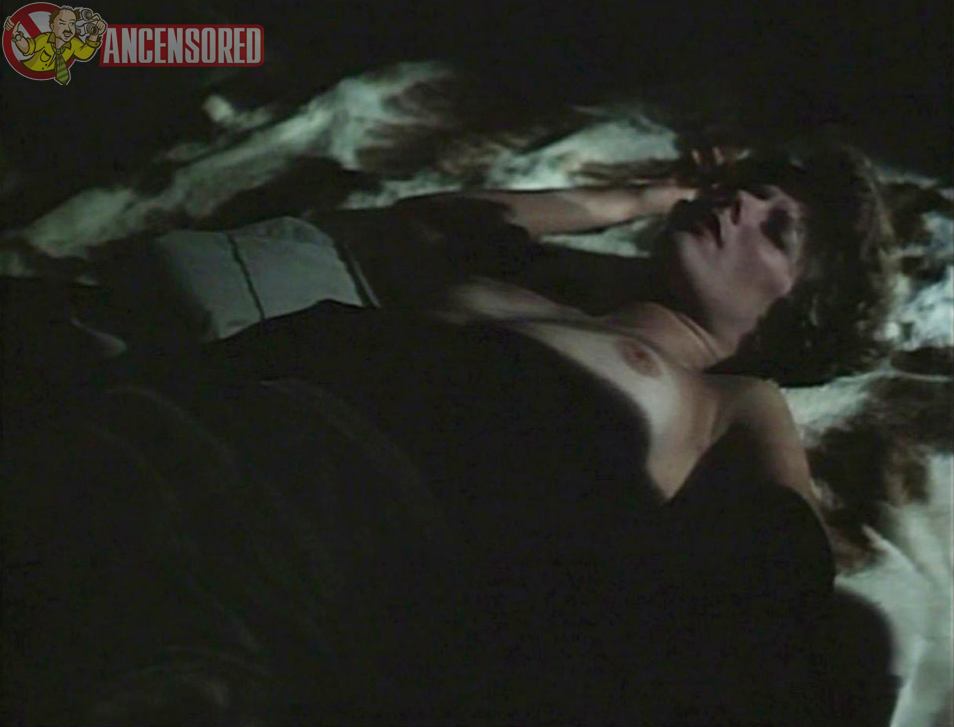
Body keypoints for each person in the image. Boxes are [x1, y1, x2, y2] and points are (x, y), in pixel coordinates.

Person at [1, 143, 894, 725]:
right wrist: (641, 194)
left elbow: (788, 569)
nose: (738, 205)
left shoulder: (732, 396)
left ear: (796, 318)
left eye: (776, 228)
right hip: (189, 422)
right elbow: (424, 225)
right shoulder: (528, 295)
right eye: (741, 190)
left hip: (320, 538)